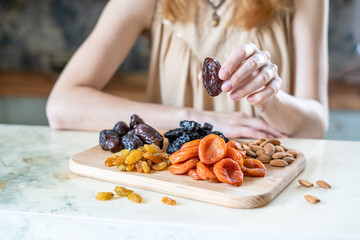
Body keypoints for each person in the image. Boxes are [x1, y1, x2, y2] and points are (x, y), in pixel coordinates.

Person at [46, 0, 329, 139]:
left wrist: (270, 100)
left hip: (267, 181)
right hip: (173, 183)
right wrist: (192, 119)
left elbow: (316, 126)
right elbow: (62, 106)